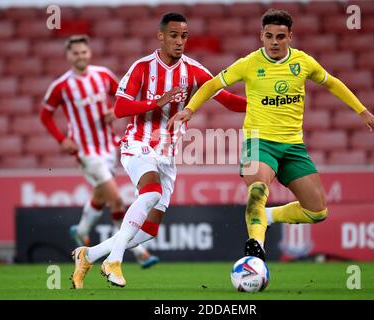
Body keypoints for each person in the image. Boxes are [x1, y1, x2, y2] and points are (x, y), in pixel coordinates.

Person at [169, 9, 374, 262]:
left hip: (293, 147)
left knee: (317, 211)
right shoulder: (249, 63)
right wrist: (189, 109)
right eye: (269, 36)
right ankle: (255, 245)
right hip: (259, 143)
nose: (274, 42)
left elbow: (332, 83)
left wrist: (362, 111)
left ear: (289, 37)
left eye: (280, 37)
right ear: (261, 36)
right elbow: (212, 84)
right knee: (257, 190)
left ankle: (268, 217)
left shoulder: (303, 62)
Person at [70, 12, 247, 288]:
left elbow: (228, 100)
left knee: (148, 232)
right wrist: (156, 102)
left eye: (184, 36)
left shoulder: (195, 71)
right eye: (174, 35)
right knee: (150, 193)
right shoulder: (142, 67)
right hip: (137, 145)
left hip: (166, 155)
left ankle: (88, 255)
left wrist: (264, 104)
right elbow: (119, 108)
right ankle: (113, 261)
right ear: (161, 36)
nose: (179, 41)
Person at [40, 35, 159, 275]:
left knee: (101, 195)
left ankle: (81, 229)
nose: (80, 56)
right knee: (115, 199)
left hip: (108, 147)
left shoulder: (103, 75)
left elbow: (122, 97)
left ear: (89, 53)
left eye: (84, 52)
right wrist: (62, 139)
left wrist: (114, 112)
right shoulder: (61, 86)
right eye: (75, 53)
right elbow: (45, 115)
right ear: (69, 56)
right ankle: (136, 252)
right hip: (86, 152)